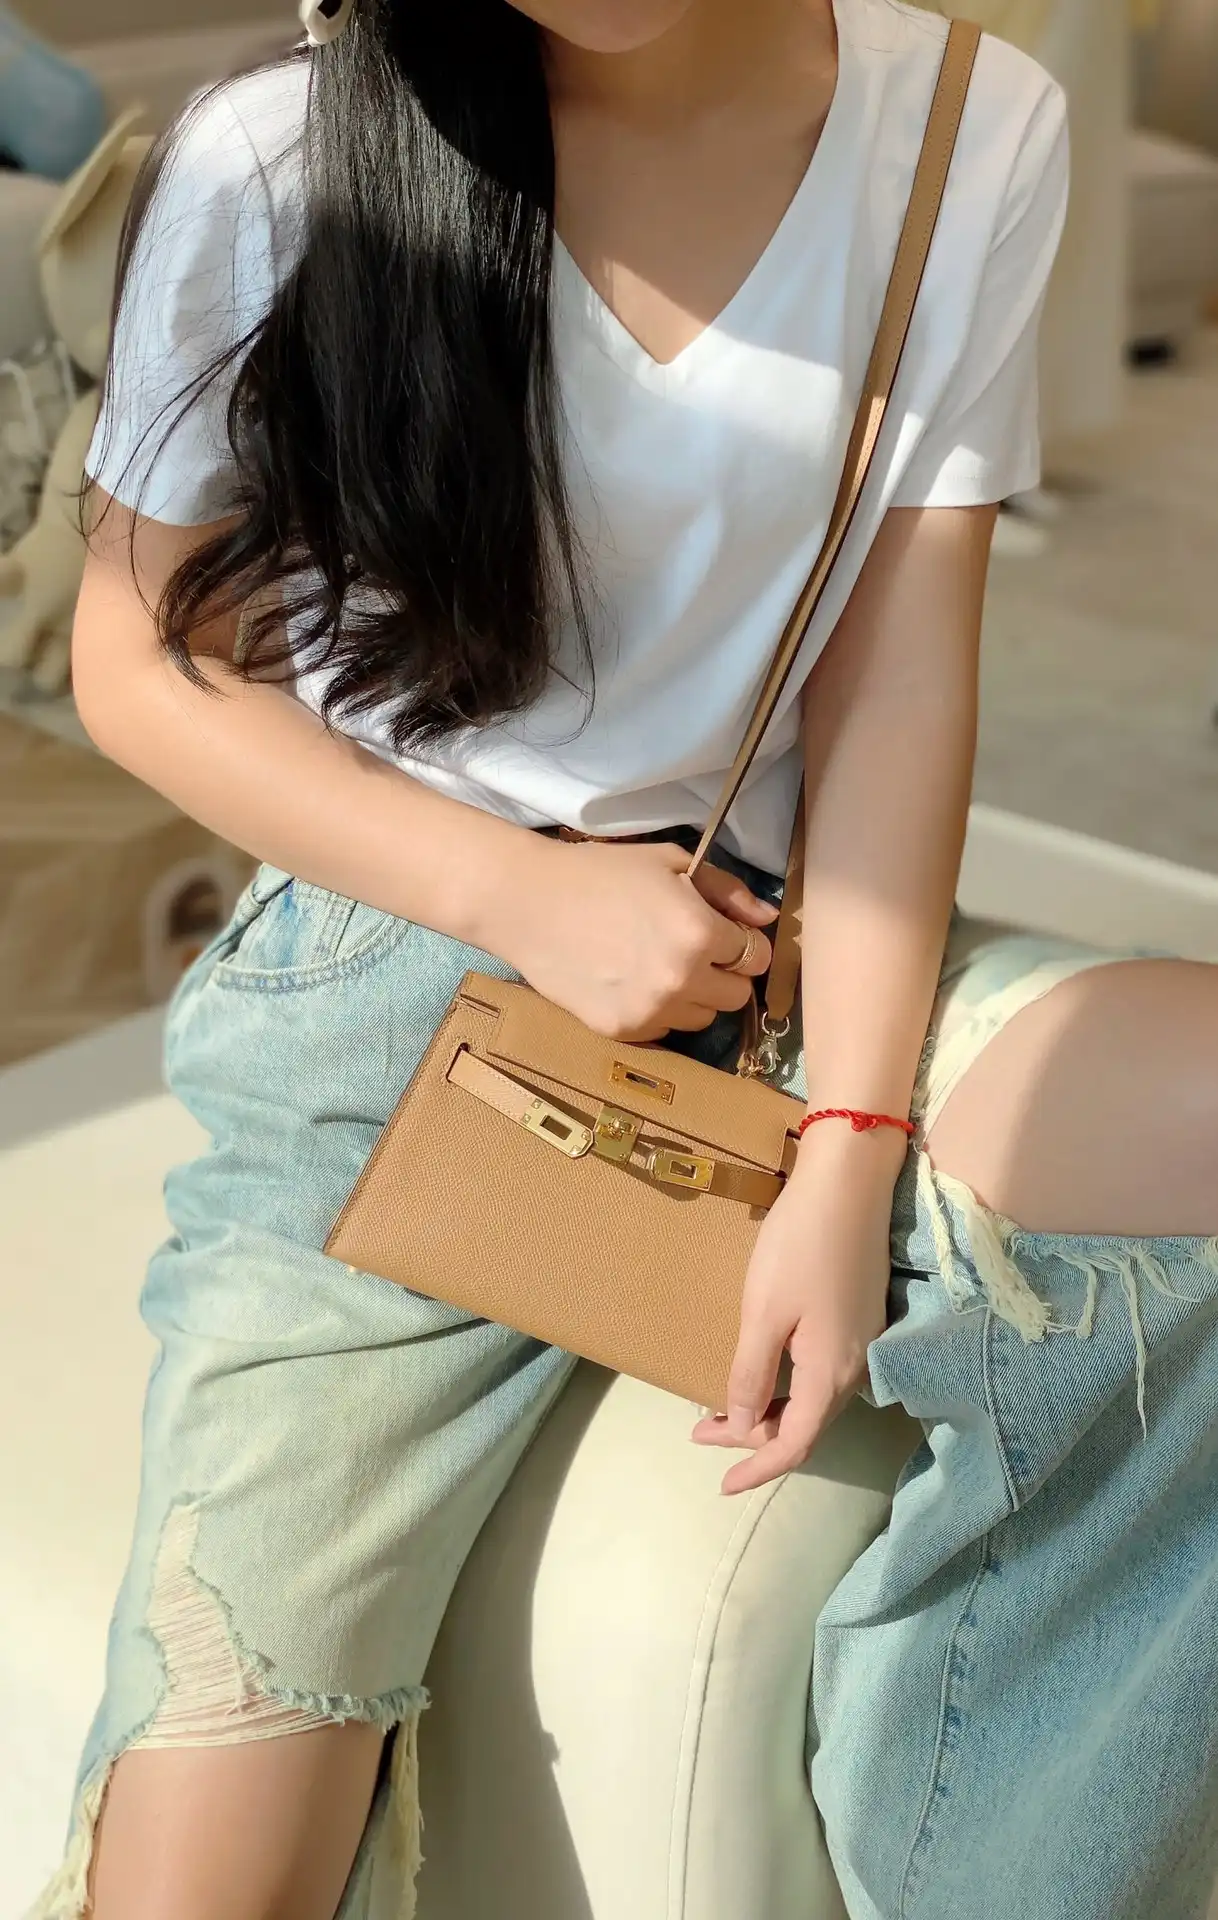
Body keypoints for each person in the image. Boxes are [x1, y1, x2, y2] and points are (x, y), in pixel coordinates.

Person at [33, 1, 1218, 1917]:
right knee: (209, 1863)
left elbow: (894, 673)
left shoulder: (960, 127)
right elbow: (136, 657)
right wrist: (522, 896)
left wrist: (848, 1145)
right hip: (395, 997)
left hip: (773, 972)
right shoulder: (283, 151)